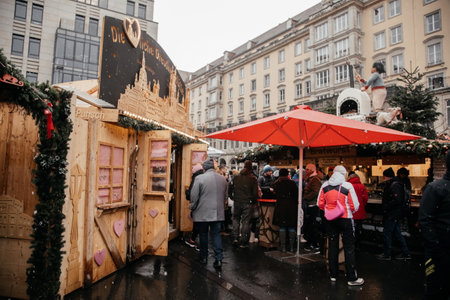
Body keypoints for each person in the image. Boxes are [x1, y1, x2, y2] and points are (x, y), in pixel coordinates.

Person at [317, 165, 364, 286]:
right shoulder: (347, 186)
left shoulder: (325, 185)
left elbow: (320, 204)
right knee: (349, 248)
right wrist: (347, 210)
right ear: (344, 174)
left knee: (333, 246)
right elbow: (355, 205)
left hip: (330, 220)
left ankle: (333, 275)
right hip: (345, 219)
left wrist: (330, 209)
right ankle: (351, 278)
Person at [419, 151, 450, 299]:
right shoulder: (436, 188)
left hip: (440, 249)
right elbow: (425, 220)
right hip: (440, 252)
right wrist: (437, 249)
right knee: (436, 289)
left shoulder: (436, 188)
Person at [190, 158, 228, 270]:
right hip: (218, 213)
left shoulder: (199, 178)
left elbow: (194, 197)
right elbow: (225, 197)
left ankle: (203, 257)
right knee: (216, 235)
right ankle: (219, 259)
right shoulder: (223, 179)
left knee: (203, 235)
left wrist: (192, 208)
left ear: (204, 168)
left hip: (202, 212)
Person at [376, 167, 411, 261]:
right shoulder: (394, 183)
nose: (383, 177)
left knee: (387, 233)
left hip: (392, 214)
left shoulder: (394, 185)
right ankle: (406, 252)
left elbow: (397, 200)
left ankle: (387, 254)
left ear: (387, 176)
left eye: (384, 175)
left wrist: (386, 206)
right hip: (394, 213)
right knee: (397, 233)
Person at [231, 160, 259, 248]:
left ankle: (235, 238)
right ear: (251, 167)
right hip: (247, 202)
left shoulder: (236, 176)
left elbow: (230, 186)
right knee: (245, 221)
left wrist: (231, 196)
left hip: (237, 201)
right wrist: (254, 201)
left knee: (236, 219)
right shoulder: (253, 178)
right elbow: (255, 193)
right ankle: (243, 241)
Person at [272, 168, 298, 252]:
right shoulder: (292, 183)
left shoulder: (276, 184)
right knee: (291, 226)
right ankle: (291, 247)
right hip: (291, 207)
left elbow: (274, 194)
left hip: (280, 206)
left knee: (282, 226)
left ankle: (283, 247)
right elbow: (296, 195)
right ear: (287, 174)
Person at [302, 163, 323, 253]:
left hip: (313, 205)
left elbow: (316, 192)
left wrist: (306, 198)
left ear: (311, 170)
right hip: (310, 205)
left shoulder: (315, 180)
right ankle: (312, 243)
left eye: (307, 169)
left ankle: (315, 244)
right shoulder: (311, 179)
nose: (305, 171)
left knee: (312, 226)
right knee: (310, 225)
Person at [184, 163, 204, 249]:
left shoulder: (195, 178)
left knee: (197, 223)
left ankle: (194, 241)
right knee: (201, 224)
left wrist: (187, 192)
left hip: (197, 205)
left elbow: (192, 194)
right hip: (204, 204)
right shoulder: (204, 177)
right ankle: (196, 241)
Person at [347, 171, 368, 248]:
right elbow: (365, 199)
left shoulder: (348, 186)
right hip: (360, 211)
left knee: (351, 229)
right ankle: (358, 244)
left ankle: (351, 244)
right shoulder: (362, 186)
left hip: (351, 212)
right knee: (359, 228)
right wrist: (362, 206)